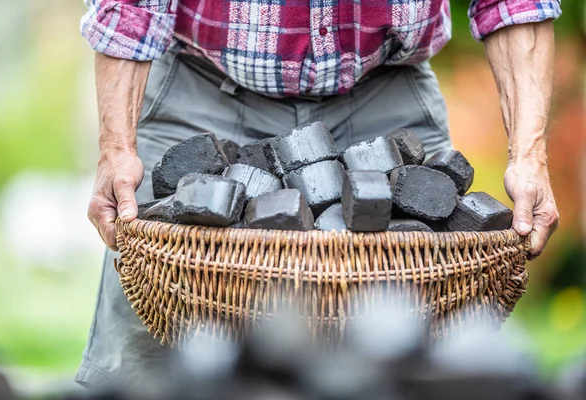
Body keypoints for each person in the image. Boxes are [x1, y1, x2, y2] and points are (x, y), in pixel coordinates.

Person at [77, 0, 561, 387]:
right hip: (204, 90)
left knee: (423, 339)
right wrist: (116, 148)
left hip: (384, 93)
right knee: (149, 348)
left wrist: (529, 155)